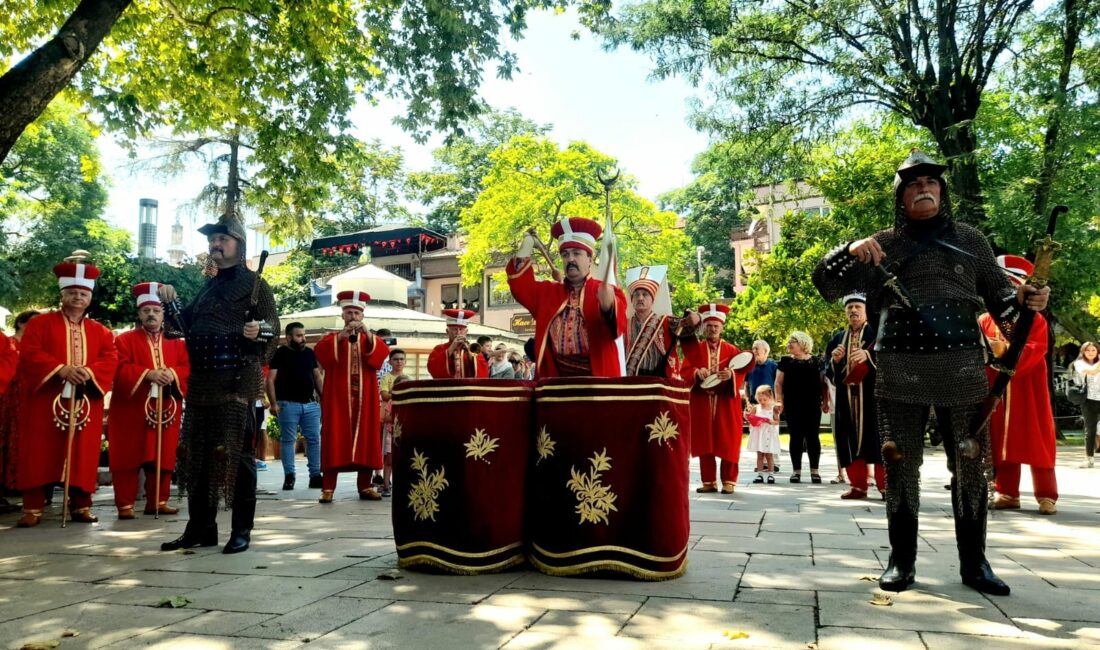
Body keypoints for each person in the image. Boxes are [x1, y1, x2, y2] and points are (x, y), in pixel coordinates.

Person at [813, 149, 1050, 596]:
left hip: (960, 365)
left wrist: (1025, 301)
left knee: (970, 462)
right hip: (899, 367)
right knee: (899, 462)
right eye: (914, 183)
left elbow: (1002, 304)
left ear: (942, 191)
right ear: (901, 195)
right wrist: (848, 249)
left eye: (932, 183)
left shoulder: (973, 242)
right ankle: (901, 562)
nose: (924, 188)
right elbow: (825, 282)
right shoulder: (881, 245)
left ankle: (974, 563)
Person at [158, 213, 280, 554]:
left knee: (236, 458)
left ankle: (241, 529)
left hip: (236, 383)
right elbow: (182, 327)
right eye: (212, 238)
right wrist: (171, 303)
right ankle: (200, 527)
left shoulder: (255, 285)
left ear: (239, 245)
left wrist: (259, 332)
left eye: (222, 238)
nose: (215, 243)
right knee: (196, 458)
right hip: (202, 383)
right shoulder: (209, 286)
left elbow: (273, 329)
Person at [16, 254, 118, 527]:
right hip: (46, 399)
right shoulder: (40, 324)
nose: (77, 297)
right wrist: (61, 369)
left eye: (83, 293)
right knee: (39, 450)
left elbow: (110, 357)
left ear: (90, 298)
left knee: (83, 452)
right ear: (62, 294)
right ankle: (32, 508)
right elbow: (29, 353)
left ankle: (81, 506)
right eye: (72, 292)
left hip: (85, 399)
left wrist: (89, 371)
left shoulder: (101, 331)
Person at [980, 255, 1058, 515]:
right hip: (996, 390)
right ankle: (1007, 492)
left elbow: (1037, 349)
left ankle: (1047, 494)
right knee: (1001, 441)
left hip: (1027, 389)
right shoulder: (985, 319)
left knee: (1038, 440)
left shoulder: (1034, 319)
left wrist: (1006, 353)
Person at [107, 283, 191, 519]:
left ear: (164, 314)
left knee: (162, 455)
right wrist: (148, 374)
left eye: (156, 310)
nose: (151, 314)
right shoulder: (123, 341)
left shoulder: (177, 341)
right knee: (127, 456)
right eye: (146, 311)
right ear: (139, 314)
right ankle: (125, 505)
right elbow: (118, 368)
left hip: (166, 407)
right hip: (130, 410)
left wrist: (172, 373)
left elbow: (187, 368)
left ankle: (158, 501)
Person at [506, 217, 627, 377]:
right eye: (565, 254)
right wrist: (527, 243)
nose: (570, 259)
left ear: (590, 259)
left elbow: (620, 329)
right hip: (556, 384)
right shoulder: (547, 292)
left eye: (576, 253)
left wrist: (609, 307)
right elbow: (519, 285)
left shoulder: (605, 290)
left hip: (597, 385)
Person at [314, 289, 390, 503]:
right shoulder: (331, 338)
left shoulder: (370, 339)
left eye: (357, 314)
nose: (353, 317)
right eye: (349, 313)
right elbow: (322, 356)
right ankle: (328, 488)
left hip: (365, 400)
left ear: (363, 316)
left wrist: (367, 333)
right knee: (335, 437)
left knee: (366, 439)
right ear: (342, 316)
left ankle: (365, 485)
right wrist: (341, 337)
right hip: (338, 399)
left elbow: (379, 358)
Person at [682, 303, 755, 494]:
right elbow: (685, 371)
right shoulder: (694, 350)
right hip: (702, 401)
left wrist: (731, 375)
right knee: (705, 440)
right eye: (709, 325)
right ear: (704, 327)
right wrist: (697, 372)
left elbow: (743, 369)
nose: (712, 329)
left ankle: (729, 480)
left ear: (722, 327)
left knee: (728, 440)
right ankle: (709, 481)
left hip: (725, 401)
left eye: (716, 326)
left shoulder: (732, 350)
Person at [824, 293, 884, 500]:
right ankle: (858, 486)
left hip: (873, 397)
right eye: (849, 308)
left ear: (866, 311)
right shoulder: (837, 339)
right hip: (846, 399)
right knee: (848, 441)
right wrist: (836, 361)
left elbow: (891, 360)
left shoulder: (878, 334)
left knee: (878, 440)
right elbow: (828, 372)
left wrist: (869, 356)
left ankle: (886, 487)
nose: (853, 311)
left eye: (858, 306)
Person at [266, 321, 324, 491]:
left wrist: (324, 397)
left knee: (314, 440)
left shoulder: (309, 353)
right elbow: (270, 380)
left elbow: (317, 377)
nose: (303, 338)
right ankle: (289, 476)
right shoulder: (280, 353)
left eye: (304, 335)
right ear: (289, 337)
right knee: (288, 441)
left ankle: (315, 475)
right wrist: (274, 403)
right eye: (299, 336)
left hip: (310, 405)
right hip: (287, 405)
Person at [624, 265, 698, 378]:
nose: (640, 298)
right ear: (632, 299)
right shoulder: (624, 324)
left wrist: (697, 318)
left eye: (645, 294)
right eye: (636, 295)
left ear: (652, 299)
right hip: (630, 381)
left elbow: (688, 327)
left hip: (658, 381)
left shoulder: (667, 322)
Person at [775, 331, 830, 484]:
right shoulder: (785, 362)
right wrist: (779, 401)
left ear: (802, 343)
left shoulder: (816, 361)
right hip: (792, 404)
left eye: (793, 341)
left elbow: (823, 383)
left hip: (812, 404)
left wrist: (826, 401)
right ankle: (796, 471)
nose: (789, 344)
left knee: (813, 436)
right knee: (796, 437)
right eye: (789, 341)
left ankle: (815, 471)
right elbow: (778, 383)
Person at [0, 310, 40, 512]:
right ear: (21, 323)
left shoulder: (35, 346)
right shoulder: (9, 343)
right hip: (7, 400)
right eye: (33, 322)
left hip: (29, 400)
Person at [427, 309, 489, 378]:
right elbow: (432, 368)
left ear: (466, 332)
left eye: (461, 329)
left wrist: (470, 354)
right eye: (454, 329)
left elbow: (484, 371)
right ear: (447, 331)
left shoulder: (473, 349)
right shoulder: (438, 349)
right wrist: (450, 349)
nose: (458, 333)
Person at [379, 373, 410, 496]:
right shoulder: (392, 401)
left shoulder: (410, 400)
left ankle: (402, 485)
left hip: (404, 435)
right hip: (391, 435)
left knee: (404, 461)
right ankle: (386, 485)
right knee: (389, 461)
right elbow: (385, 417)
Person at [1073, 342, 1100, 469]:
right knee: (1090, 430)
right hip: (1089, 400)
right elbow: (1092, 371)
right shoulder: (1079, 363)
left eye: (1093, 350)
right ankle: (1089, 459)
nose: (1090, 352)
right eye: (1087, 350)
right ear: (1083, 352)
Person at [747, 385, 781, 485]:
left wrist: (770, 421)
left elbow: (777, 421)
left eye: (764, 399)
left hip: (768, 434)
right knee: (760, 455)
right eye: (760, 399)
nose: (762, 402)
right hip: (759, 434)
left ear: (770, 398)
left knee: (769, 455)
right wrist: (749, 418)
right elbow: (751, 418)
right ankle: (760, 474)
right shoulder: (756, 408)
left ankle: (771, 474)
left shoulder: (772, 408)